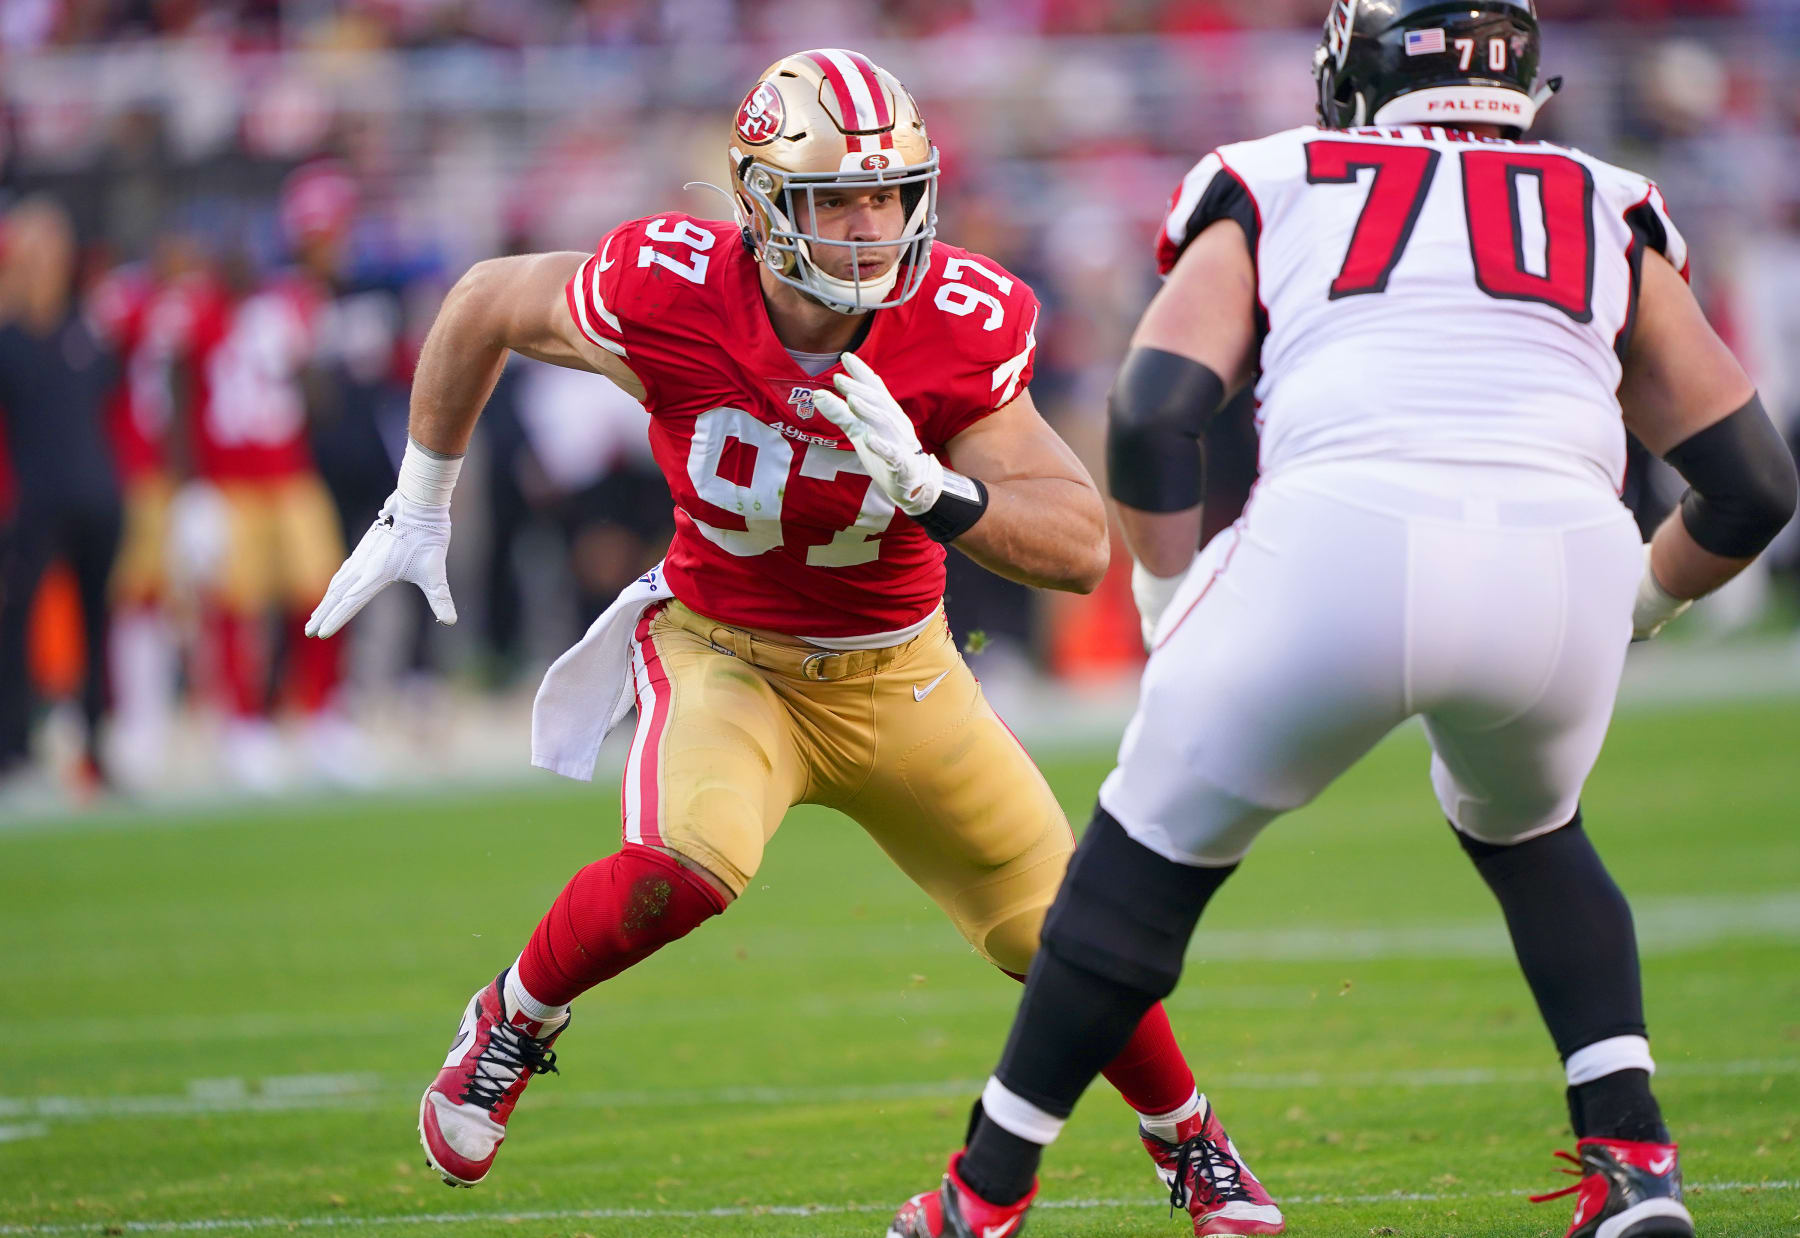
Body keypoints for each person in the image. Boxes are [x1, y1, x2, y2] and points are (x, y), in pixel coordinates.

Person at [306, 48, 1284, 1237]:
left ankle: (1192, 1141)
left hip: (902, 667)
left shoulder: (955, 323)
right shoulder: (666, 290)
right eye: (836, 200)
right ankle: (514, 1013)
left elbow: (1079, 543)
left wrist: (935, 491)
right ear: (761, 200)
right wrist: (422, 502)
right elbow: (483, 301)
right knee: (688, 861)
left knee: (1064, 932)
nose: (872, 228)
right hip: (729, 652)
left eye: (890, 194)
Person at [892, 2, 1798, 1237]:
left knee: (1141, 860)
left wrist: (1168, 599)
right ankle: (1635, 1156)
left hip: (1340, 536)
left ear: (1362, 71)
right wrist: (1634, 600)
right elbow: (1754, 485)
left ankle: (982, 1193)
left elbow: (1158, 405)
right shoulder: (1605, 199)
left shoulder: (1276, 174)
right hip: (1564, 552)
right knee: (1533, 830)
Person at [0, 198, 123, 792]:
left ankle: (96, 747)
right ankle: (14, 748)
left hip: (96, 498)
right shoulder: (10, 339)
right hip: (33, 503)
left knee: (99, 624)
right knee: (16, 623)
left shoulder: (87, 332)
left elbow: (114, 409)